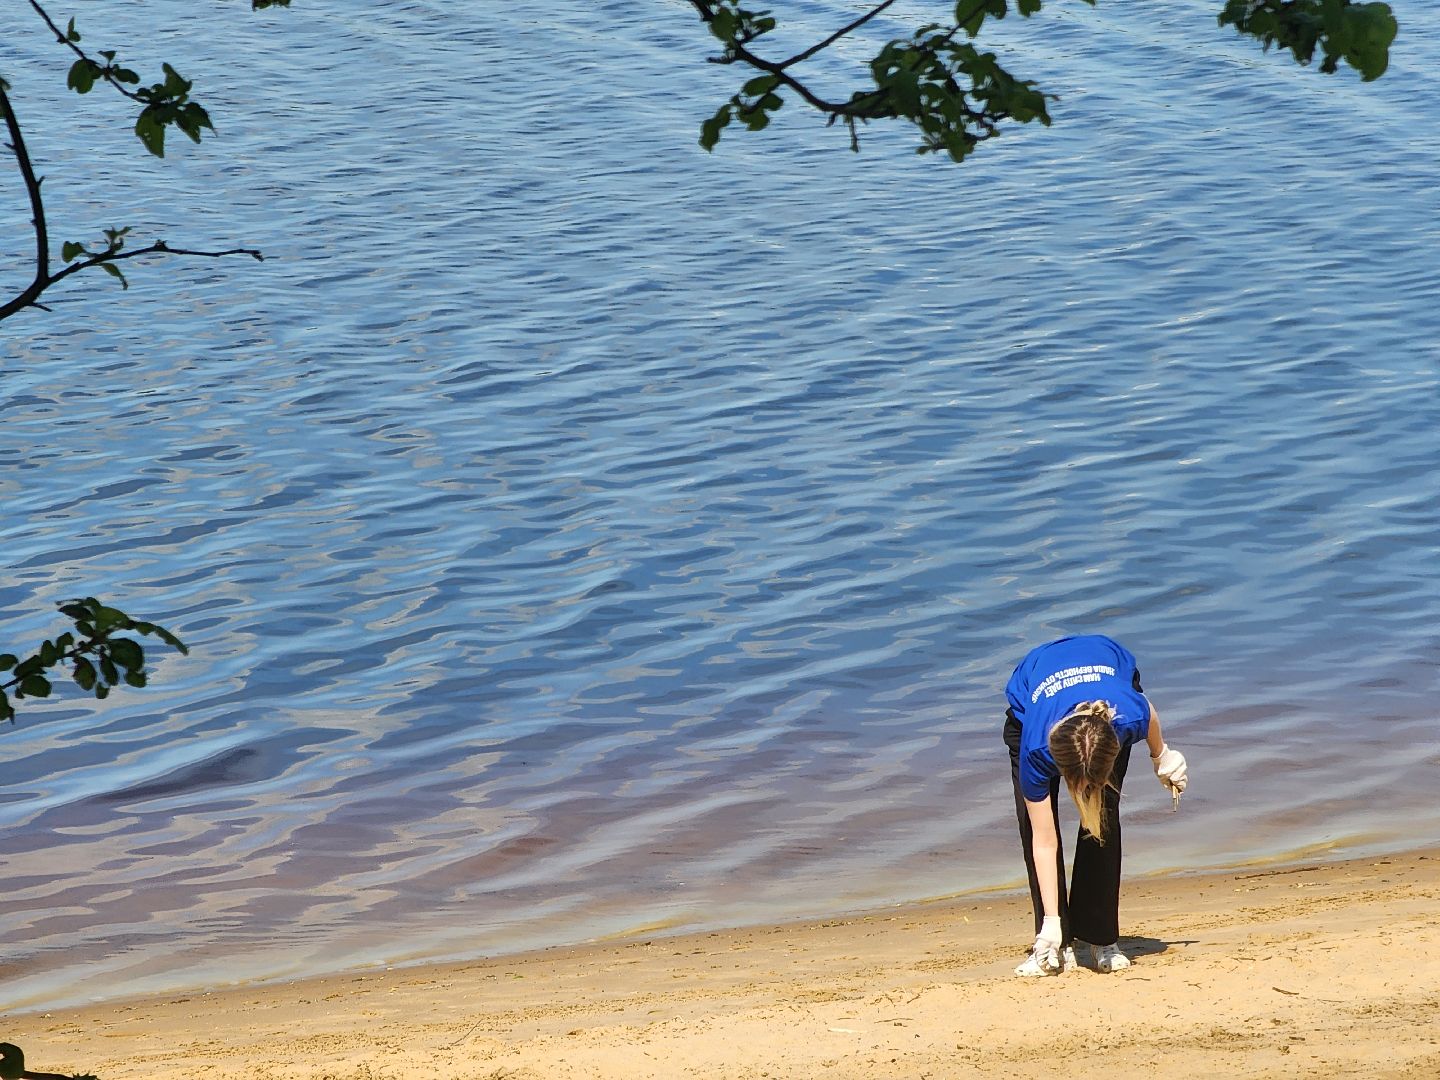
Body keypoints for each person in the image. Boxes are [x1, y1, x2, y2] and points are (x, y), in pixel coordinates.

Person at [1002, 634, 1187, 976]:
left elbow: (1147, 712)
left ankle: (1101, 937)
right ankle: (1054, 939)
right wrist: (1052, 921)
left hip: (1106, 663)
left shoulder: (1125, 718)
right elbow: (1044, 841)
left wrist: (1162, 757)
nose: (1082, 792)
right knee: (1036, 827)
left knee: (1102, 814)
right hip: (1034, 695)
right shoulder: (1035, 751)